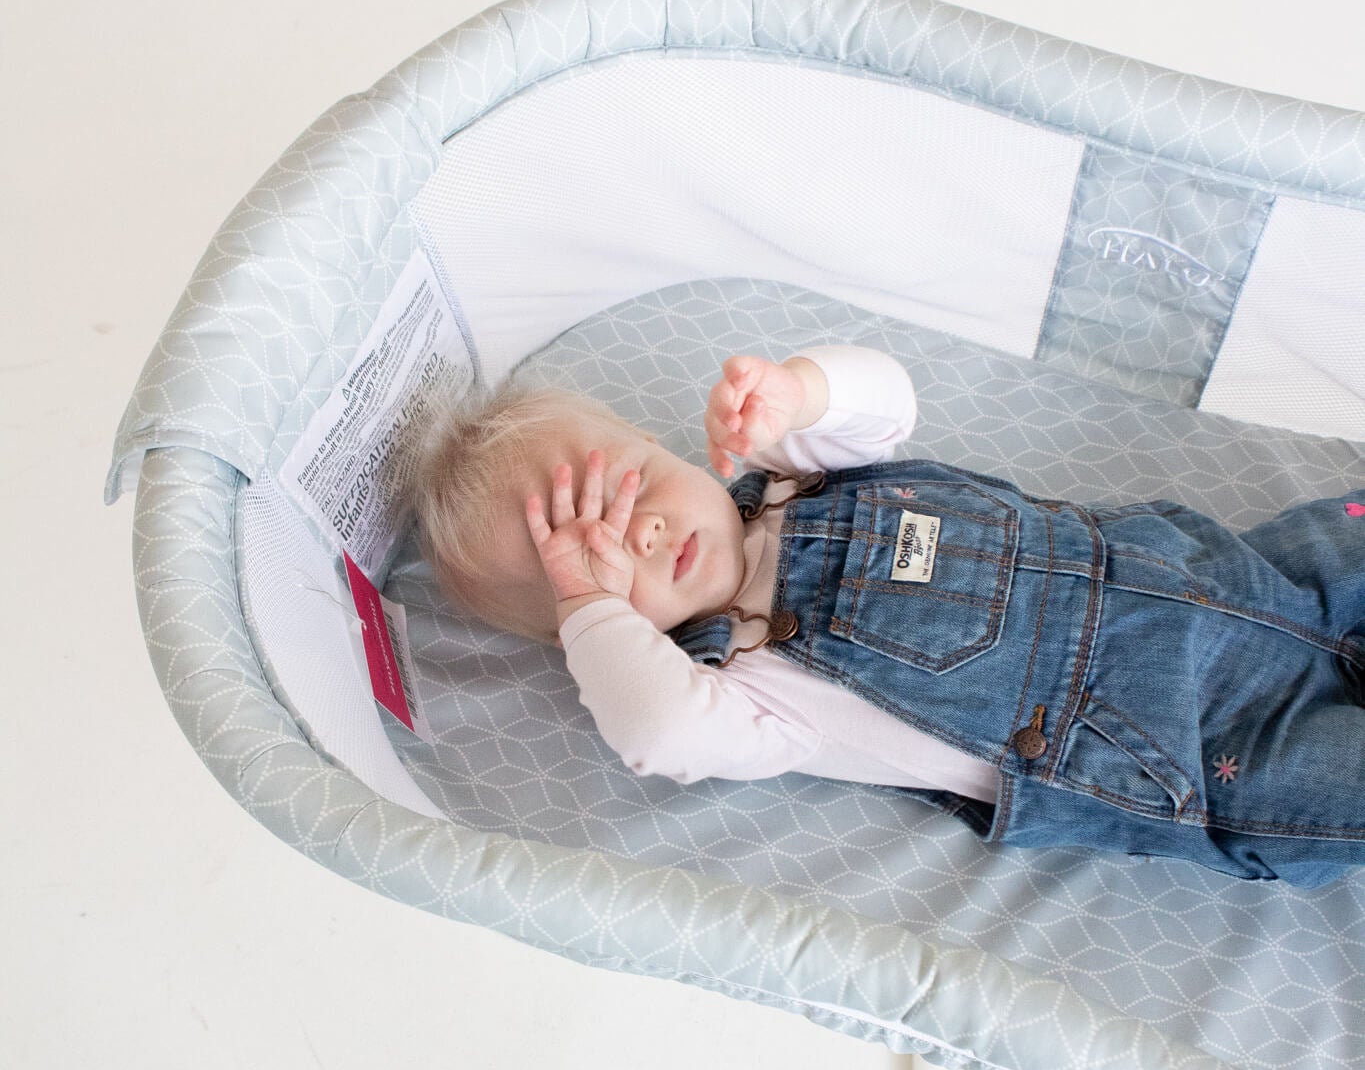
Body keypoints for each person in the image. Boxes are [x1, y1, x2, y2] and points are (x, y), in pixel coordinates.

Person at [412, 344, 1365, 886]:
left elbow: (889, 403)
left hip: (1247, 577)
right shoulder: (749, 691)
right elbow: (654, 729)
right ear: (591, 639)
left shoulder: (798, 473)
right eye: (601, 555)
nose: (650, 528)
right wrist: (590, 605)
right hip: (1206, 751)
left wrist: (798, 389)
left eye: (635, 487)